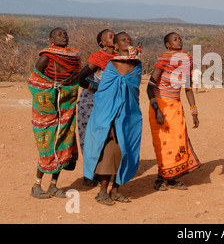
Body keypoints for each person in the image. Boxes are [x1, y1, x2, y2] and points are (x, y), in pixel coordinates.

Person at [83, 32, 142, 205]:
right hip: (109, 117)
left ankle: (116, 190)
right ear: (115, 47)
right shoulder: (111, 65)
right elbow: (103, 96)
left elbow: (134, 93)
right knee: (109, 154)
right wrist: (106, 122)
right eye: (123, 40)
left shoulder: (136, 66)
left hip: (130, 116)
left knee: (125, 153)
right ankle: (102, 192)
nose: (128, 42)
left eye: (129, 40)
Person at [28, 27, 81, 199]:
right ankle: (36, 186)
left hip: (65, 111)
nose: (63, 36)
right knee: (48, 149)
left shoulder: (73, 60)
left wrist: (64, 94)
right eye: (59, 34)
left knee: (63, 147)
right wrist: (52, 90)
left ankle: (53, 185)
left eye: (65, 34)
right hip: (47, 112)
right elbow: (35, 81)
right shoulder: (46, 58)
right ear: (51, 40)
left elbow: (74, 82)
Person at [147, 32, 201, 191]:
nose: (179, 41)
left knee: (178, 141)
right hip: (160, 106)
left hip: (176, 107)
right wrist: (156, 108)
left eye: (180, 38)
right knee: (163, 144)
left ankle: (172, 178)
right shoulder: (163, 59)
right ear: (168, 45)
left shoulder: (187, 59)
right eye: (175, 39)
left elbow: (188, 88)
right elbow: (149, 87)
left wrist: (194, 111)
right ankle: (160, 179)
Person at [77, 29, 115, 186]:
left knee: (106, 137)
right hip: (90, 102)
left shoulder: (119, 59)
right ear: (102, 43)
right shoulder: (98, 57)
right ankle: (89, 174)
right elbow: (80, 78)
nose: (114, 37)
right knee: (89, 138)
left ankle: (100, 171)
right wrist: (96, 87)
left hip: (108, 104)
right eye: (110, 36)